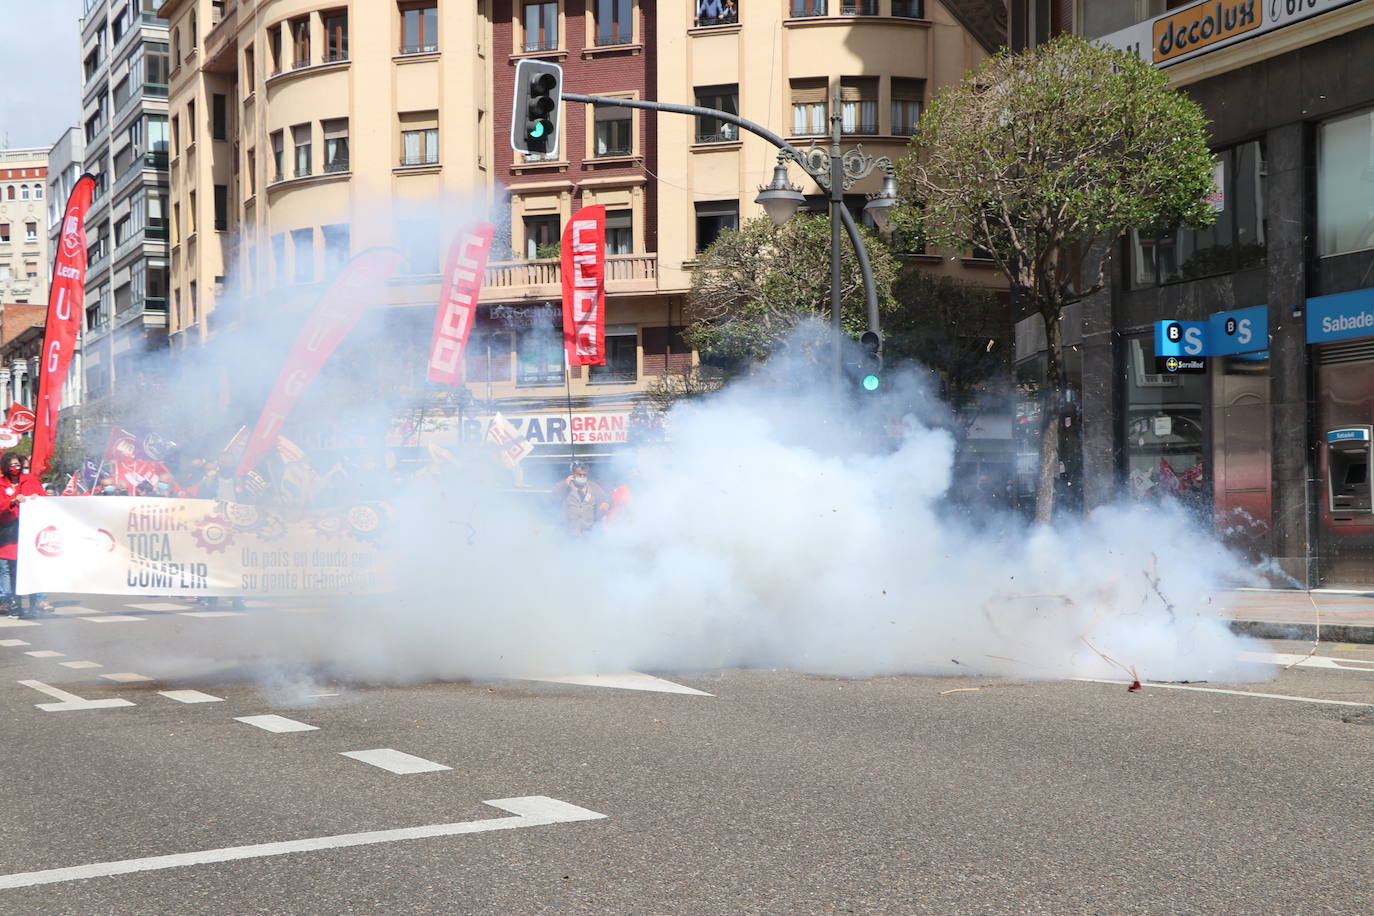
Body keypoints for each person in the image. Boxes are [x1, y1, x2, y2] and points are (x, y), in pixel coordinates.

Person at [0, 452, 47, 616]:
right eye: (12, 465)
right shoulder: (1, 483)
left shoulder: (31, 480)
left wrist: (37, 498)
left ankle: (38, 601)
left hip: (29, 530)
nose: (15, 468)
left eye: (18, 464)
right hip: (8, 532)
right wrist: (12, 500)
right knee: (10, 568)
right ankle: (13, 602)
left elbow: (44, 499)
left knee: (32, 565)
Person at [554, 461, 608, 535]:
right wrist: (565, 484)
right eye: (579, 475)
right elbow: (554, 497)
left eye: (584, 475)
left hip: (589, 533)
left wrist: (606, 504)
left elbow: (606, 498)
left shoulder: (594, 487)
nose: (582, 477)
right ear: (573, 474)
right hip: (569, 533)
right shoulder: (565, 484)